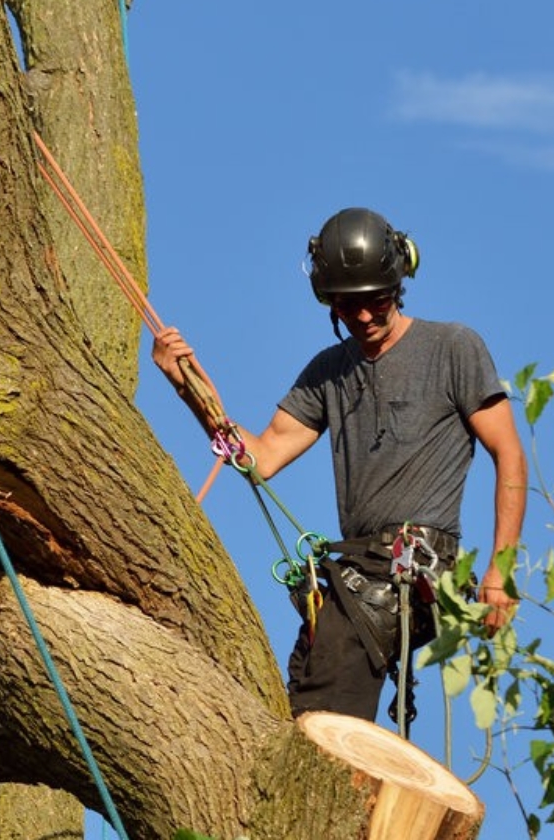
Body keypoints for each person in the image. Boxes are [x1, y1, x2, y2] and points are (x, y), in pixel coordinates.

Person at [151, 207, 527, 724]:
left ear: (399, 283)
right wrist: (186, 386)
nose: (365, 318)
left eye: (376, 302)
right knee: (308, 671)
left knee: (333, 680)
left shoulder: (453, 347)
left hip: (415, 562)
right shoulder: (329, 372)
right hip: (356, 565)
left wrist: (500, 572)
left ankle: (328, 786)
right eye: (349, 308)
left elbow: (509, 454)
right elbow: (262, 457)